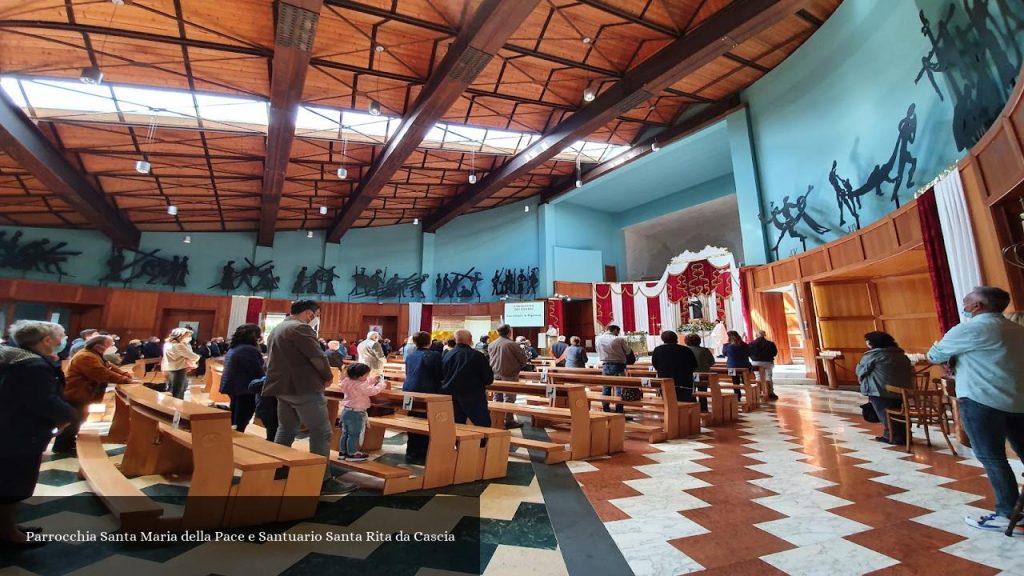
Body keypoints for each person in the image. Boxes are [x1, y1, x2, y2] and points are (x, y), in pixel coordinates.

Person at [928, 286, 1024, 534]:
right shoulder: (1017, 330)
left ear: (977, 307)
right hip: (1018, 400)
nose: (964, 306)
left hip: (981, 399)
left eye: (966, 303)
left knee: (992, 458)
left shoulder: (971, 328)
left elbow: (935, 354)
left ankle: (1008, 513)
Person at [264, 300, 355, 495]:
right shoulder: (300, 328)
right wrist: (328, 376)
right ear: (308, 313)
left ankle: (279, 470)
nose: (315, 318)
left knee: (286, 429)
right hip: (302, 386)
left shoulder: (279, 327)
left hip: (282, 386)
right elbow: (317, 357)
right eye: (316, 314)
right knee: (321, 432)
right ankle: (322, 480)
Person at [0, 320, 77, 548]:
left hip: (9, 428)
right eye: (59, 336)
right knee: (13, 484)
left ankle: (8, 525)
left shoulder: (12, 355)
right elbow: (44, 401)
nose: (61, 340)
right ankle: (7, 533)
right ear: (46, 340)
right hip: (20, 432)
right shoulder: (33, 365)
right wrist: (72, 415)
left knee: (7, 480)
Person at [55, 335, 133, 454]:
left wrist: (125, 375)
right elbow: (102, 373)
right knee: (73, 420)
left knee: (79, 419)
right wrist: (126, 380)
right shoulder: (86, 356)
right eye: (109, 345)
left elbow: (109, 367)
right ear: (98, 346)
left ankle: (68, 442)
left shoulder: (94, 354)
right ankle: (62, 447)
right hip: (77, 394)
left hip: (84, 394)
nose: (112, 347)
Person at [856, 331, 912, 444]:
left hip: (880, 389)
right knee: (900, 413)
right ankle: (905, 436)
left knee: (885, 414)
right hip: (902, 390)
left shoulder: (873, 355)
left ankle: (890, 436)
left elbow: (861, 371)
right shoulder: (901, 354)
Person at [404, 331, 443, 461]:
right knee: (425, 420)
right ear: (429, 342)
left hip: (409, 389)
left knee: (412, 418)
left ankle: (411, 449)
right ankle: (422, 450)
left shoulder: (410, 355)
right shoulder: (434, 355)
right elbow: (439, 373)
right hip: (427, 389)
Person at [219, 324, 265, 433]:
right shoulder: (249, 349)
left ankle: (232, 436)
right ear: (254, 335)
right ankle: (236, 440)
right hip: (244, 388)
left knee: (235, 415)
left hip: (234, 386)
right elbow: (256, 371)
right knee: (241, 419)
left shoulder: (234, 347)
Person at [442, 329, 494, 427]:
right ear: (470, 340)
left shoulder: (447, 355)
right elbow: (488, 378)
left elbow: (442, 375)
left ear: (455, 340)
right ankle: (482, 443)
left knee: (456, 426)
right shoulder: (477, 355)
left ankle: (457, 442)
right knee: (483, 425)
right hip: (473, 396)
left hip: (451, 395)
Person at [339, 362, 386, 462]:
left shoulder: (346, 381)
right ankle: (352, 454)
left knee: (345, 433)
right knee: (354, 434)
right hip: (357, 413)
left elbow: (363, 382)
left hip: (346, 411)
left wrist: (373, 379)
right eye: (366, 375)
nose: (367, 376)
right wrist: (381, 385)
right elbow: (372, 391)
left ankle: (343, 452)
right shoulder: (361, 386)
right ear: (359, 376)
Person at [488, 324, 529, 428]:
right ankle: (509, 420)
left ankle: (497, 419)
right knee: (509, 397)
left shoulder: (492, 344)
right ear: (509, 332)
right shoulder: (512, 344)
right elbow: (523, 359)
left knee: (497, 397)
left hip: (495, 374)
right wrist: (519, 366)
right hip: (509, 374)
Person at [651, 331, 698, 403]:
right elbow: (694, 364)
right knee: (684, 403)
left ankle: (670, 414)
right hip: (684, 382)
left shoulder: (658, 350)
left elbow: (655, 364)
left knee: (669, 403)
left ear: (663, 339)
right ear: (676, 338)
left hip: (665, 380)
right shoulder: (685, 349)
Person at [596, 325, 630, 413]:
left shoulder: (598, 339)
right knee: (619, 387)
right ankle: (619, 409)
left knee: (606, 387)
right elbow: (628, 351)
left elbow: (597, 350)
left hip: (605, 365)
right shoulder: (619, 339)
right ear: (615, 330)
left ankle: (605, 408)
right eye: (618, 332)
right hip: (618, 365)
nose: (618, 333)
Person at [161, 328, 200, 399]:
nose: (189, 338)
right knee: (178, 391)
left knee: (173, 388)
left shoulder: (167, 344)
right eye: (187, 336)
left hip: (170, 368)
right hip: (178, 369)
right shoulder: (178, 345)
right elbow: (194, 357)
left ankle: (170, 406)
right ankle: (176, 407)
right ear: (180, 336)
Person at [684, 333, 715, 412]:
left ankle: (693, 410)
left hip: (689, 375)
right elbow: (712, 362)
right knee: (702, 393)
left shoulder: (684, 350)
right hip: (702, 374)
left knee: (691, 393)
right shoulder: (704, 350)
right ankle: (703, 409)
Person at [749, 330, 780, 400]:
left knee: (758, 377)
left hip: (756, 362)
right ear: (764, 335)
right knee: (768, 377)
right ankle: (770, 393)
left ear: (756, 335)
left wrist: (754, 358)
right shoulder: (770, 344)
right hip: (768, 362)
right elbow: (774, 353)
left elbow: (749, 353)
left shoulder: (751, 344)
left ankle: (759, 392)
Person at [722, 330, 752, 401]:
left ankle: (738, 397)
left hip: (732, 366)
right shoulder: (744, 345)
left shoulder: (727, 346)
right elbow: (749, 353)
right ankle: (749, 396)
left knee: (735, 382)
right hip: (745, 365)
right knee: (746, 381)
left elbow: (724, 354)